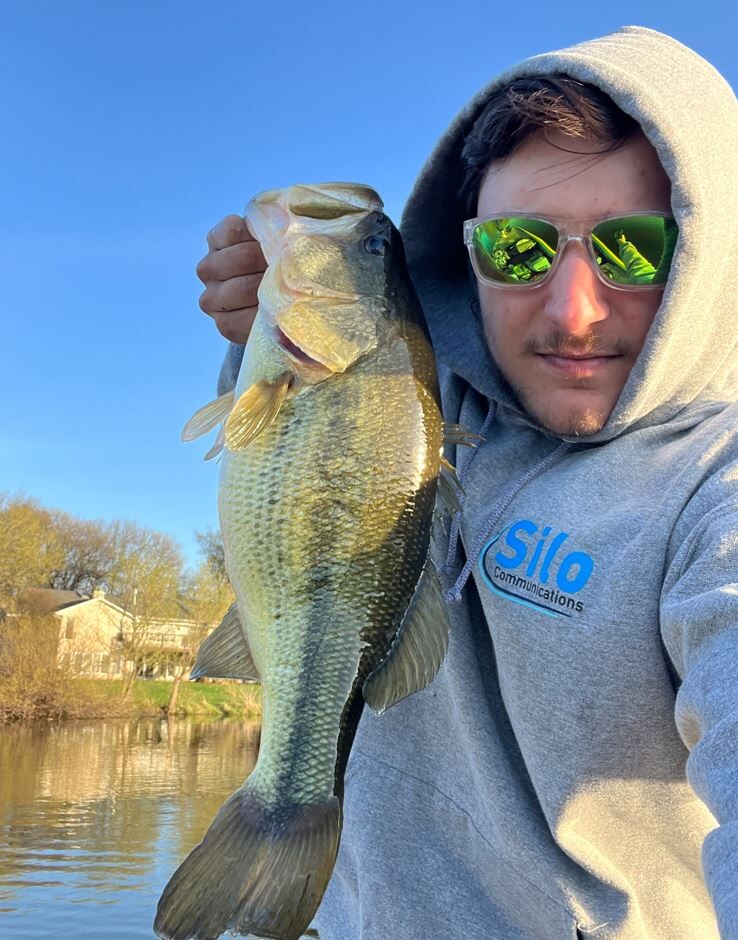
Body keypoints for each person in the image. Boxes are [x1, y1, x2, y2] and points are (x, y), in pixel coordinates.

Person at [195, 26, 738, 940]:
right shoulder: (415, 391)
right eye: (521, 248)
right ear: (464, 255)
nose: (574, 311)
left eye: (635, 249)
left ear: (707, 257)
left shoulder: (715, 490)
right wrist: (254, 348)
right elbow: (291, 472)